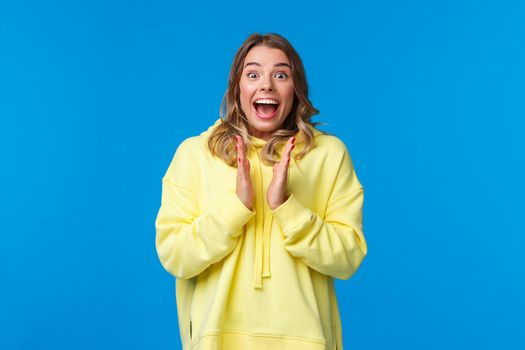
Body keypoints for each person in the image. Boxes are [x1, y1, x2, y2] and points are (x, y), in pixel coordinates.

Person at [155, 32, 368, 350]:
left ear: (295, 89)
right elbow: (175, 256)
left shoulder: (329, 155)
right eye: (253, 74)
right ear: (236, 87)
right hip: (216, 341)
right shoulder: (194, 154)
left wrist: (287, 207)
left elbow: (347, 258)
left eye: (281, 75)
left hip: (307, 342)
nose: (266, 85)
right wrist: (236, 208)